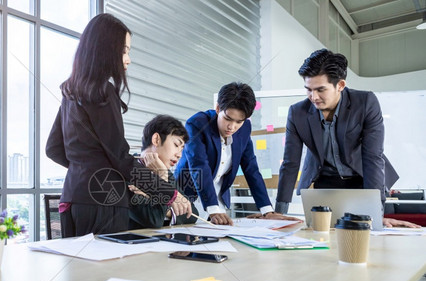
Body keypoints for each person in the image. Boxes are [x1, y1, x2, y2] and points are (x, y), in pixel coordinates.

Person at [46, 14, 192, 237]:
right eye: (124, 50)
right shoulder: (103, 92)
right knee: (103, 271)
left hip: (72, 201)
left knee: (79, 270)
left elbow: (53, 149)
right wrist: (169, 194)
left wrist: (89, 170)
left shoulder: (72, 91)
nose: (128, 59)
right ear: (105, 50)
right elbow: (121, 158)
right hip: (104, 205)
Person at [275, 48, 419, 228]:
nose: (314, 97)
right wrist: (279, 213)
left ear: (340, 85)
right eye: (309, 90)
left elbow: (372, 157)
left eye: (321, 90)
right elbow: (290, 163)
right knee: (325, 235)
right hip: (325, 182)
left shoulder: (365, 103)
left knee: (365, 233)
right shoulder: (297, 113)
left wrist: (375, 213)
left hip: (362, 178)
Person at [175, 82, 300, 226]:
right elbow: (199, 165)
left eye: (239, 121)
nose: (232, 127)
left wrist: (267, 210)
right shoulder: (197, 123)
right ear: (217, 108)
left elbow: (251, 168)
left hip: (218, 203)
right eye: (227, 118)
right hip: (188, 200)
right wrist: (213, 209)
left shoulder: (244, 128)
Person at [128, 115, 198, 229]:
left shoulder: (166, 172)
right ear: (156, 139)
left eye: (182, 149)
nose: (179, 155)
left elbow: (192, 214)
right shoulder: (128, 171)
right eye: (176, 145)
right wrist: (162, 178)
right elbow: (154, 220)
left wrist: (155, 200)